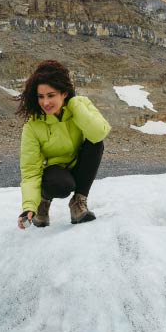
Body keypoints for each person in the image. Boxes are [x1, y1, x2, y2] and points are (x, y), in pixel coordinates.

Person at [16, 60, 111, 229]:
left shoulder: (80, 105)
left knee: (95, 144)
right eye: (41, 96)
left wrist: (75, 105)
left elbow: (99, 133)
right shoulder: (33, 125)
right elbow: (30, 171)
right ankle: (42, 202)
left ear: (64, 93)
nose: (45, 103)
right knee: (62, 185)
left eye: (51, 95)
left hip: (76, 165)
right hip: (53, 175)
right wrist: (29, 206)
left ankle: (78, 202)